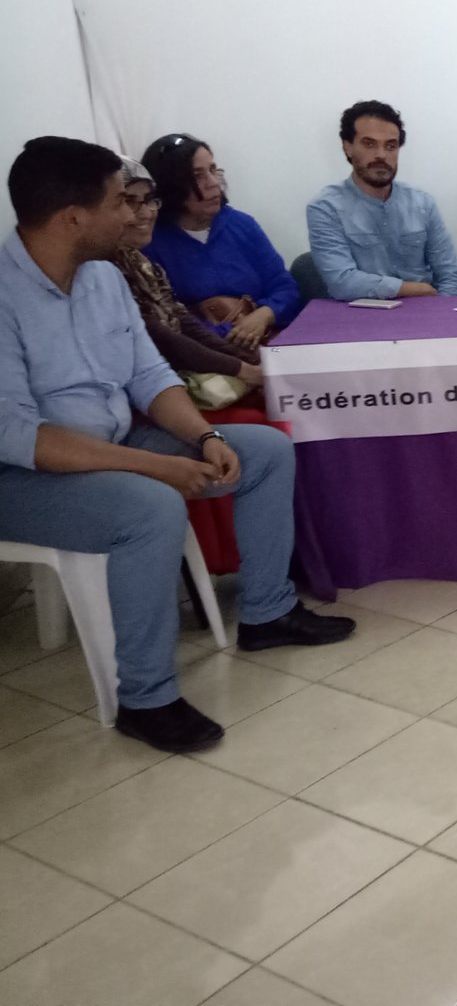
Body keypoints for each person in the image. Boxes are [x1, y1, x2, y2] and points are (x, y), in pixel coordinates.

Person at [0, 138, 355, 754]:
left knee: (265, 451)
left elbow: (149, 375)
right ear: (74, 217)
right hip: (26, 475)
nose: (133, 214)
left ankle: (267, 613)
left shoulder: (104, 278)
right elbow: (18, 435)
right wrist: (156, 466)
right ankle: (146, 697)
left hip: (117, 438)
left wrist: (204, 436)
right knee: (151, 508)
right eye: (119, 202)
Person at [111, 157, 263, 388]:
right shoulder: (103, 270)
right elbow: (162, 338)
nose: (146, 213)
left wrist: (250, 362)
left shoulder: (140, 261)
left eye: (149, 200)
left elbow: (182, 321)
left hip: (176, 372)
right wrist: (243, 369)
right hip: (148, 385)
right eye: (130, 201)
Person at [140, 133, 300, 349]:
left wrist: (265, 314)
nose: (214, 183)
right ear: (170, 185)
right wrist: (232, 331)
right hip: (201, 352)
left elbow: (285, 288)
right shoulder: (150, 242)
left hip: (266, 340)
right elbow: (165, 320)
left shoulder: (241, 224)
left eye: (213, 170)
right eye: (197, 176)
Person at [306, 100, 457, 301]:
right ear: (348, 148)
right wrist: (413, 289)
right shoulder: (326, 208)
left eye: (391, 146)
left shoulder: (423, 204)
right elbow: (342, 283)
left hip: (425, 311)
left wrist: (438, 312)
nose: (381, 155)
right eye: (369, 144)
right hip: (360, 315)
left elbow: (453, 276)